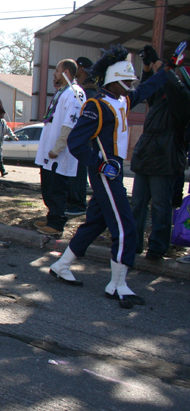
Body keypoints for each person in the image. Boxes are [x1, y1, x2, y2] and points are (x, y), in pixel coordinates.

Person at [49, 45, 169, 308]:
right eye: (125, 81)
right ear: (114, 81)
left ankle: (62, 264)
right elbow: (77, 143)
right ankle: (117, 284)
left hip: (111, 170)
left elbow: (145, 90)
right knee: (126, 228)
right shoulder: (97, 105)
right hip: (106, 172)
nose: (130, 85)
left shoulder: (122, 99)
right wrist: (100, 165)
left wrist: (165, 69)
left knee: (95, 222)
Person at [130, 45, 190, 261]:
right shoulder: (161, 99)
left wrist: (160, 63)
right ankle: (133, 244)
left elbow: (173, 84)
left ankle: (156, 248)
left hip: (165, 159)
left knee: (161, 207)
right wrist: (147, 66)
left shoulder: (182, 100)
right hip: (146, 156)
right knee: (137, 205)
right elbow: (148, 88)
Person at [34, 59, 85, 236]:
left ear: (66, 72)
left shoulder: (74, 93)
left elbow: (70, 123)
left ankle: (56, 224)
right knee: (48, 187)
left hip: (59, 154)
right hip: (49, 153)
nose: (54, 74)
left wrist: (58, 147)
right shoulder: (62, 92)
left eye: (57, 70)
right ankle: (51, 218)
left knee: (57, 189)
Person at [65, 56, 98, 216]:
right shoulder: (81, 88)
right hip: (78, 136)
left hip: (83, 138)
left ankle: (78, 203)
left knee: (78, 170)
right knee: (74, 170)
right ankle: (72, 200)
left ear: (82, 68)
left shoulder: (89, 91)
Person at [0, 109, 17, 176]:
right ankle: (1, 171)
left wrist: (13, 137)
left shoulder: (3, 122)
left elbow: (8, 130)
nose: (2, 115)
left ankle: (2, 171)